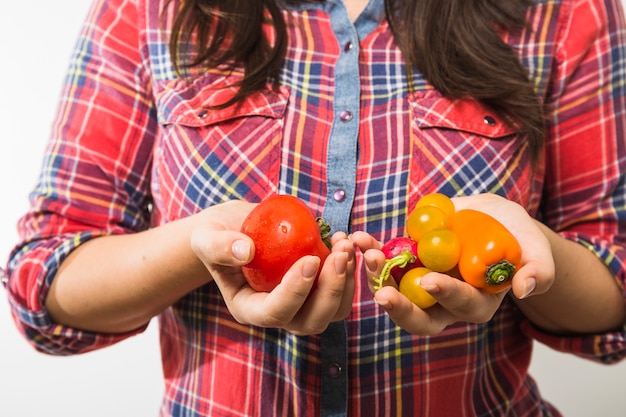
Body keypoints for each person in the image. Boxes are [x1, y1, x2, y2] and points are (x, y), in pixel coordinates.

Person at [2, 0, 626, 415]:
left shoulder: (565, 14)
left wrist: (526, 251)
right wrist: (194, 246)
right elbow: (44, 278)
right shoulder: (146, 11)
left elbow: (614, 293)